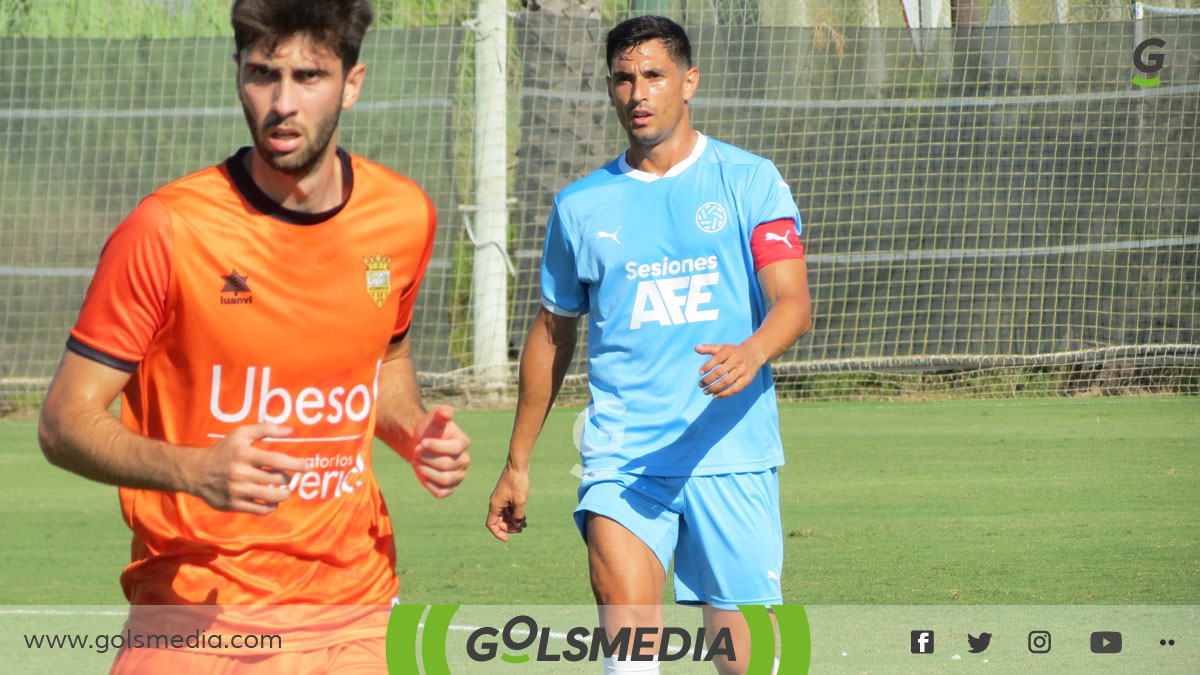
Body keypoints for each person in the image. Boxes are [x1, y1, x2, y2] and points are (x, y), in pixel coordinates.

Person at [36, 0, 471, 671]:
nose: (282, 102)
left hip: (354, 613)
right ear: (237, 72)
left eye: (309, 77)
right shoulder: (167, 229)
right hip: (195, 619)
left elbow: (384, 363)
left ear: (352, 84)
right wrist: (196, 470)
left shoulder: (404, 215)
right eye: (263, 74)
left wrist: (415, 432)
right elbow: (63, 420)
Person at [486, 14, 812, 675]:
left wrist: (749, 353)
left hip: (731, 451)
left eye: (654, 76)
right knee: (629, 638)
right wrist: (518, 460)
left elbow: (793, 303)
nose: (638, 93)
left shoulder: (749, 180)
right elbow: (553, 333)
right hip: (625, 456)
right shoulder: (581, 206)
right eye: (624, 79)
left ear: (688, 82)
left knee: (746, 657)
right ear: (610, 88)